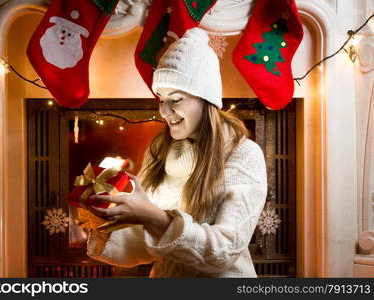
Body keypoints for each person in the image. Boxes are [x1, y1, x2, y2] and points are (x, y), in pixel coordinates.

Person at [86, 27, 268, 277]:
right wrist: (111, 218)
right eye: (161, 98)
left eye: (176, 98)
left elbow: (224, 251)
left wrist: (155, 218)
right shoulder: (160, 151)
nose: (164, 110)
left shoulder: (243, 154)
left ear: (206, 100)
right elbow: (148, 244)